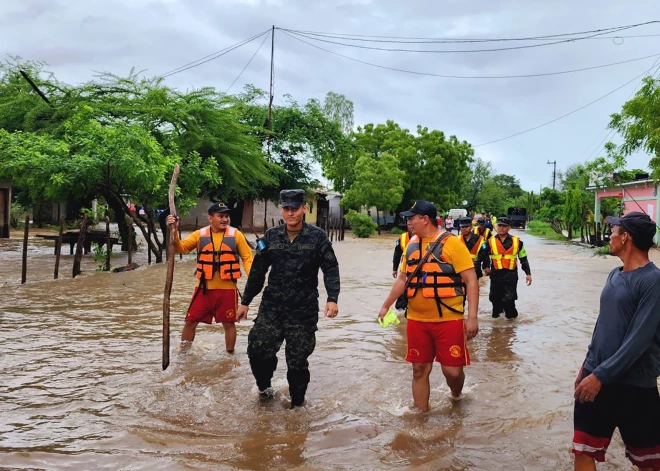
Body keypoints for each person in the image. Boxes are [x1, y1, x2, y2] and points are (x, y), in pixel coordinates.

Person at [572, 212, 660, 471]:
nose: (609, 235)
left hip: (633, 386)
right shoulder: (614, 274)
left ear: (626, 238)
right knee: (583, 451)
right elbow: (603, 325)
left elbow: (639, 339)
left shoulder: (652, 282)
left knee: (649, 461)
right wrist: (586, 366)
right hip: (595, 377)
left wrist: (600, 376)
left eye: (613, 231)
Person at [237, 189, 340, 408]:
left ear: (304, 208)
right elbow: (257, 272)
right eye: (286, 208)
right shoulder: (271, 237)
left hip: (303, 310)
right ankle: (265, 390)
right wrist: (245, 301)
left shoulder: (317, 237)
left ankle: (297, 407)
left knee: (297, 362)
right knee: (257, 350)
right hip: (272, 307)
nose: (291, 213)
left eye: (295, 208)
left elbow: (330, 268)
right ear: (281, 209)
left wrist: (333, 298)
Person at [378, 201, 479, 411]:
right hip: (417, 320)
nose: (408, 222)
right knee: (419, 369)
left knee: (452, 372)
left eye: (412, 218)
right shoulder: (411, 244)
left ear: (425, 219)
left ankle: (456, 394)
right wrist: (386, 305)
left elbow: (471, 280)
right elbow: (402, 279)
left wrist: (472, 318)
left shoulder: (452, 244)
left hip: (449, 320)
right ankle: (421, 417)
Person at [167, 202, 253, 353]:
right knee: (190, 322)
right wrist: (174, 230)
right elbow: (181, 247)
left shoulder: (236, 235)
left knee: (229, 324)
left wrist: (253, 277)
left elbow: (247, 257)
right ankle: (184, 354)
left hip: (227, 289)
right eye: (220, 216)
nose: (225, 219)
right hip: (203, 289)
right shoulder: (200, 234)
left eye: (226, 216)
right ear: (210, 218)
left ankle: (229, 355)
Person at [486, 217, 532, 319]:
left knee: (509, 300)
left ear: (509, 228)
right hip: (495, 275)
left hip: (510, 276)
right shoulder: (490, 241)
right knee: (495, 299)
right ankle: (496, 329)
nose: (501, 228)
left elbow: (523, 259)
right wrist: (485, 266)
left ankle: (511, 327)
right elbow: (481, 255)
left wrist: (528, 274)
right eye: (499, 225)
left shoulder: (517, 242)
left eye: (504, 226)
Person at [392, 218, 414, 310]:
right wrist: (394, 268)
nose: (410, 226)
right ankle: (401, 311)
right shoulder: (403, 237)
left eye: (412, 223)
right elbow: (397, 253)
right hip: (405, 269)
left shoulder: (425, 237)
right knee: (401, 290)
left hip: (420, 270)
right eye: (408, 224)